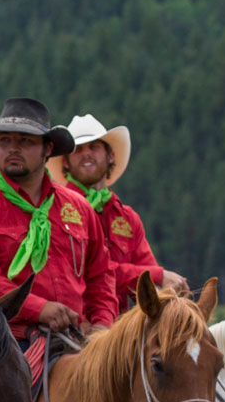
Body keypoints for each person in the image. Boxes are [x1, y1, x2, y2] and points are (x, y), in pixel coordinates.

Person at [0, 97, 118, 348]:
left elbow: (100, 275)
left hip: (74, 338)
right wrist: (39, 308)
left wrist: (102, 327)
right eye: (5, 141)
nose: (13, 148)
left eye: (25, 141)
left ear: (48, 149)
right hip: (2, 341)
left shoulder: (78, 207)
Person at [47, 114, 189, 306]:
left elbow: (147, 278)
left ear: (110, 155)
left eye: (94, 147)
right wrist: (158, 275)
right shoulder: (55, 208)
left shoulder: (127, 217)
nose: (86, 153)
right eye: (77, 149)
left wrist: (162, 293)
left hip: (119, 328)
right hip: (74, 324)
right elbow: (92, 272)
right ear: (65, 161)